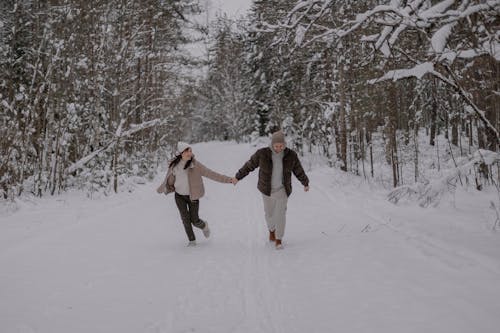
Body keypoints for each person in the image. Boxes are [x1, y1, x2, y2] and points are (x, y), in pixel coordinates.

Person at [233, 130, 309, 249]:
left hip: (282, 189)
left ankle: (279, 238)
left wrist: (305, 182)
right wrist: (238, 177)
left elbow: (298, 170)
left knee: (280, 214)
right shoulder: (262, 154)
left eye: (281, 146)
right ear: (272, 144)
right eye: (276, 146)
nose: (279, 148)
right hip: (267, 189)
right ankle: (271, 230)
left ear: (284, 144)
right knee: (269, 213)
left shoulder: (291, 155)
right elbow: (249, 165)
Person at [156, 142, 237, 246]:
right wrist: (162, 188)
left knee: (195, 220)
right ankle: (192, 240)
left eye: (190, 151)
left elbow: (211, 174)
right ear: (181, 153)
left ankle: (204, 226)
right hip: (179, 196)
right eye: (187, 151)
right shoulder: (174, 165)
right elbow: (167, 179)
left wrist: (229, 180)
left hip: (192, 196)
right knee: (185, 218)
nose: (190, 153)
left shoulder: (195, 165)